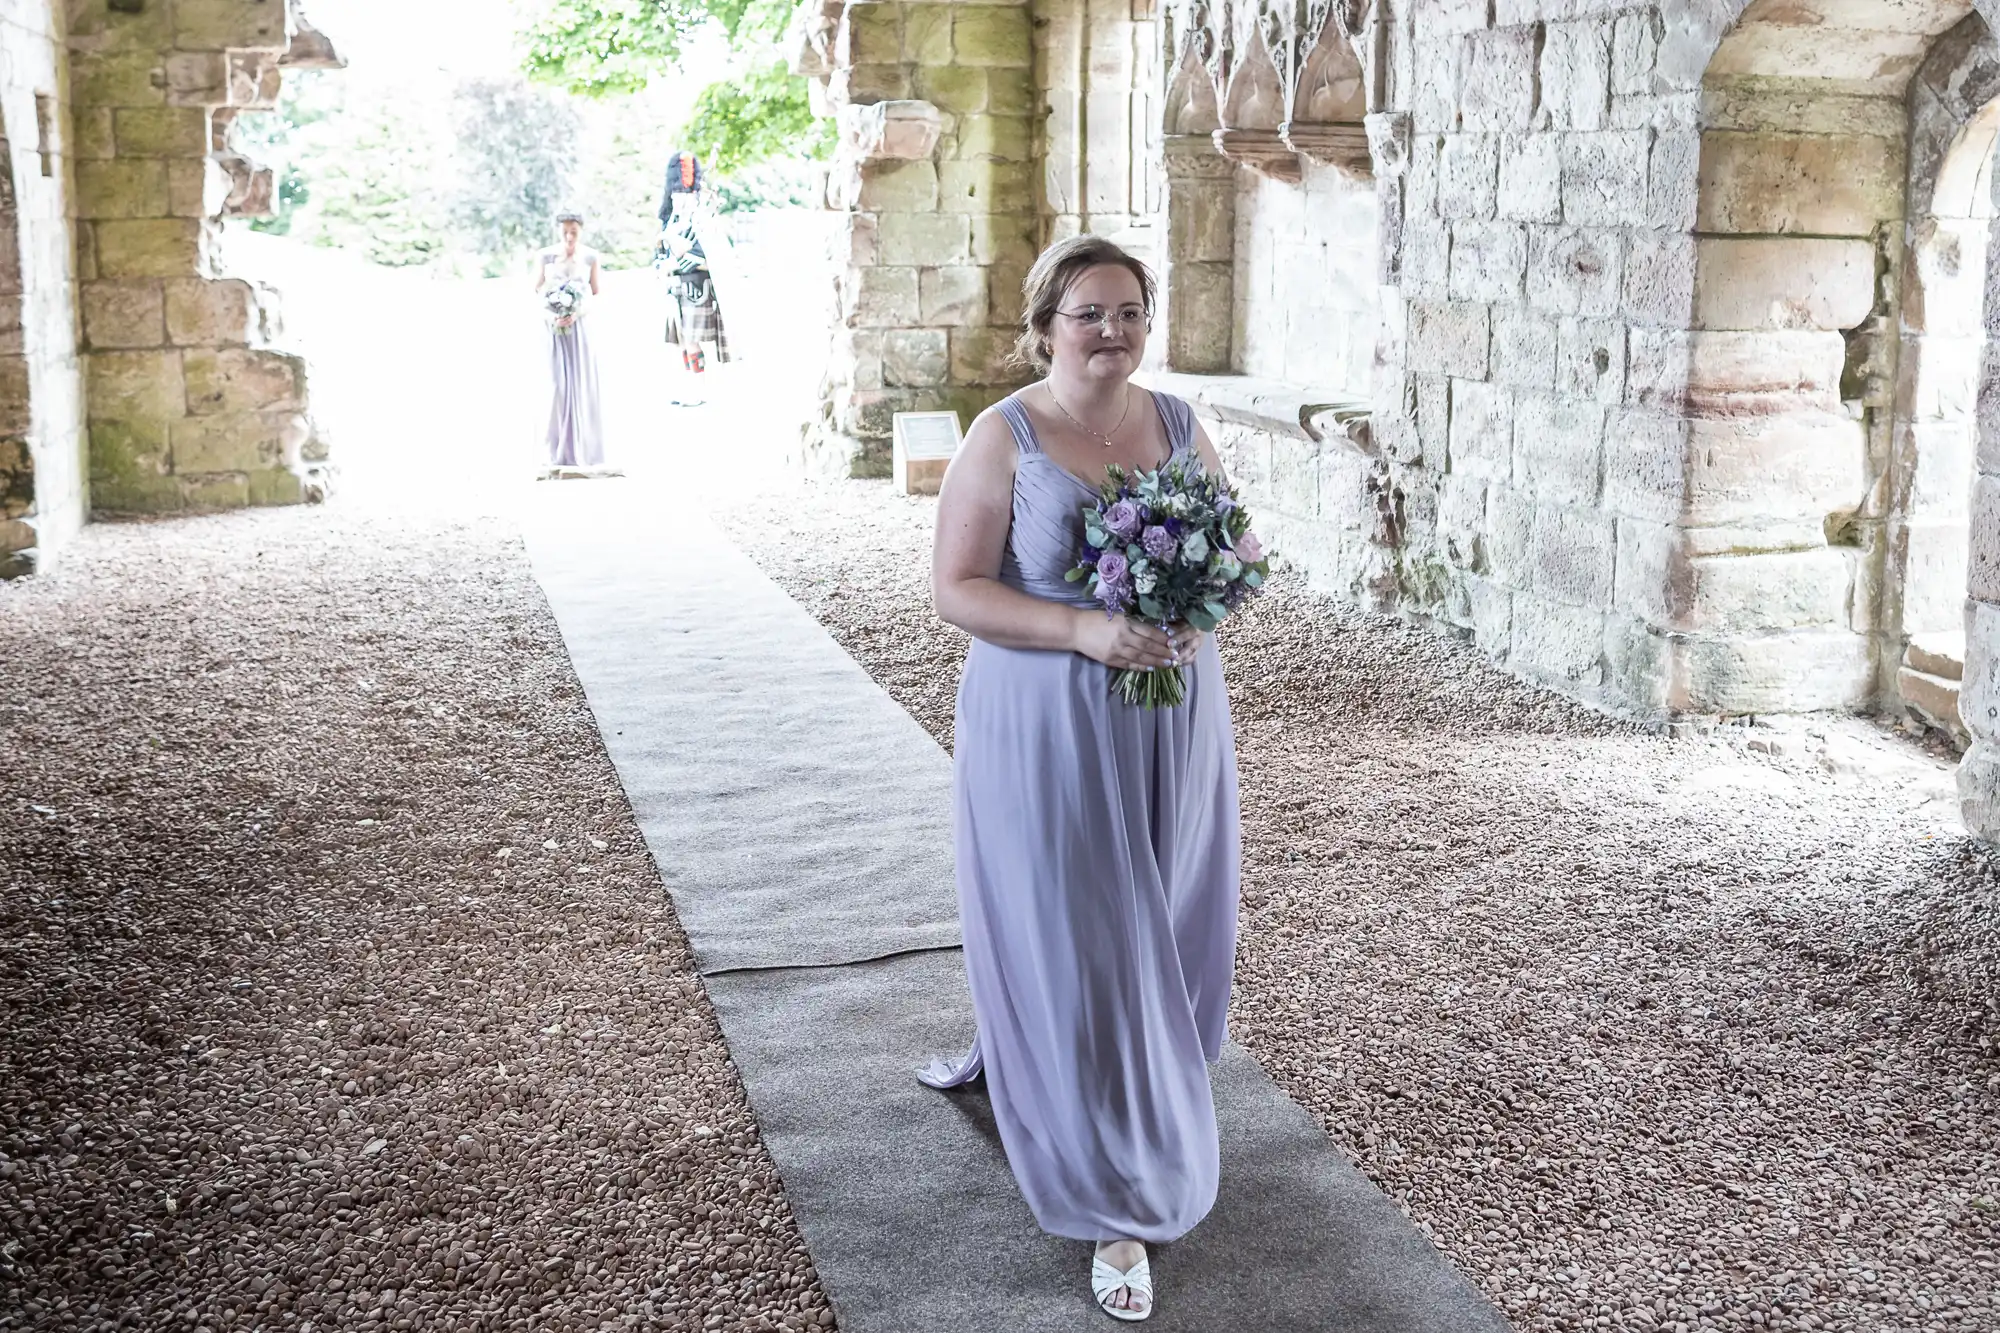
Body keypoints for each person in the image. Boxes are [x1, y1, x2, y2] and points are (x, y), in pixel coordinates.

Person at [922, 235, 1241, 1323]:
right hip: (1044, 713)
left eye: (1127, 312)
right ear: (1043, 327)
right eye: (1087, 314)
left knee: (1161, 897)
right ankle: (1117, 1192)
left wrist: (1193, 603)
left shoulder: (1180, 425)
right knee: (1082, 922)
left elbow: (1232, 550)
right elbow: (955, 589)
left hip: (1169, 711)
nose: (1110, 332)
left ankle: (1141, 1065)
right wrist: (1080, 629)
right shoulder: (1001, 435)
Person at [533, 210, 604, 471]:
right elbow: (537, 289)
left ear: (581, 231)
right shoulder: (545, 256)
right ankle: (556, 448)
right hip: (552, 327)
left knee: (581, 383)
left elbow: (595, 292)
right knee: (556, 386)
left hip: (581, 327)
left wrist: (577, 311)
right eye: (565, 231)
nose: (569, 236)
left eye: (574, 231)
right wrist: (553, 315)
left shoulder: (591, 256)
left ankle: (584, 446)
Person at [657, 193, 730, 375]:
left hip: (697, 290)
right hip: (675, 290)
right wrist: (661, 267)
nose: (679, 201)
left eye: (685, 195)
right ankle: (691, 384)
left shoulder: (703, 225)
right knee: (682, 340)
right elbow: (660, 254)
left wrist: (674, 263)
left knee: (692, 340)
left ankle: (700, 387)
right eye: (676, 196)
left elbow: (704, 256)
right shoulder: (670, 223)